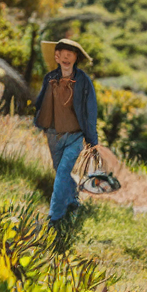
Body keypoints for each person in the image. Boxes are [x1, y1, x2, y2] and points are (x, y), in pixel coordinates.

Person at [32, 38, 98, 224]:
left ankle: (55, 217)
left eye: (71, 54)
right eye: (63, 54)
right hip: (53, 135)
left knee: (62, 174)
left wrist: (92, 139)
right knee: (60, 171)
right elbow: (41, 102)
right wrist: (38, 121)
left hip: (75, 136)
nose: (66, 57)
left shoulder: (83, 81)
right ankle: (72, 200)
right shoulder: (49, 78)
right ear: (57, 56)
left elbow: (90, 110)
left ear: (76, 58)